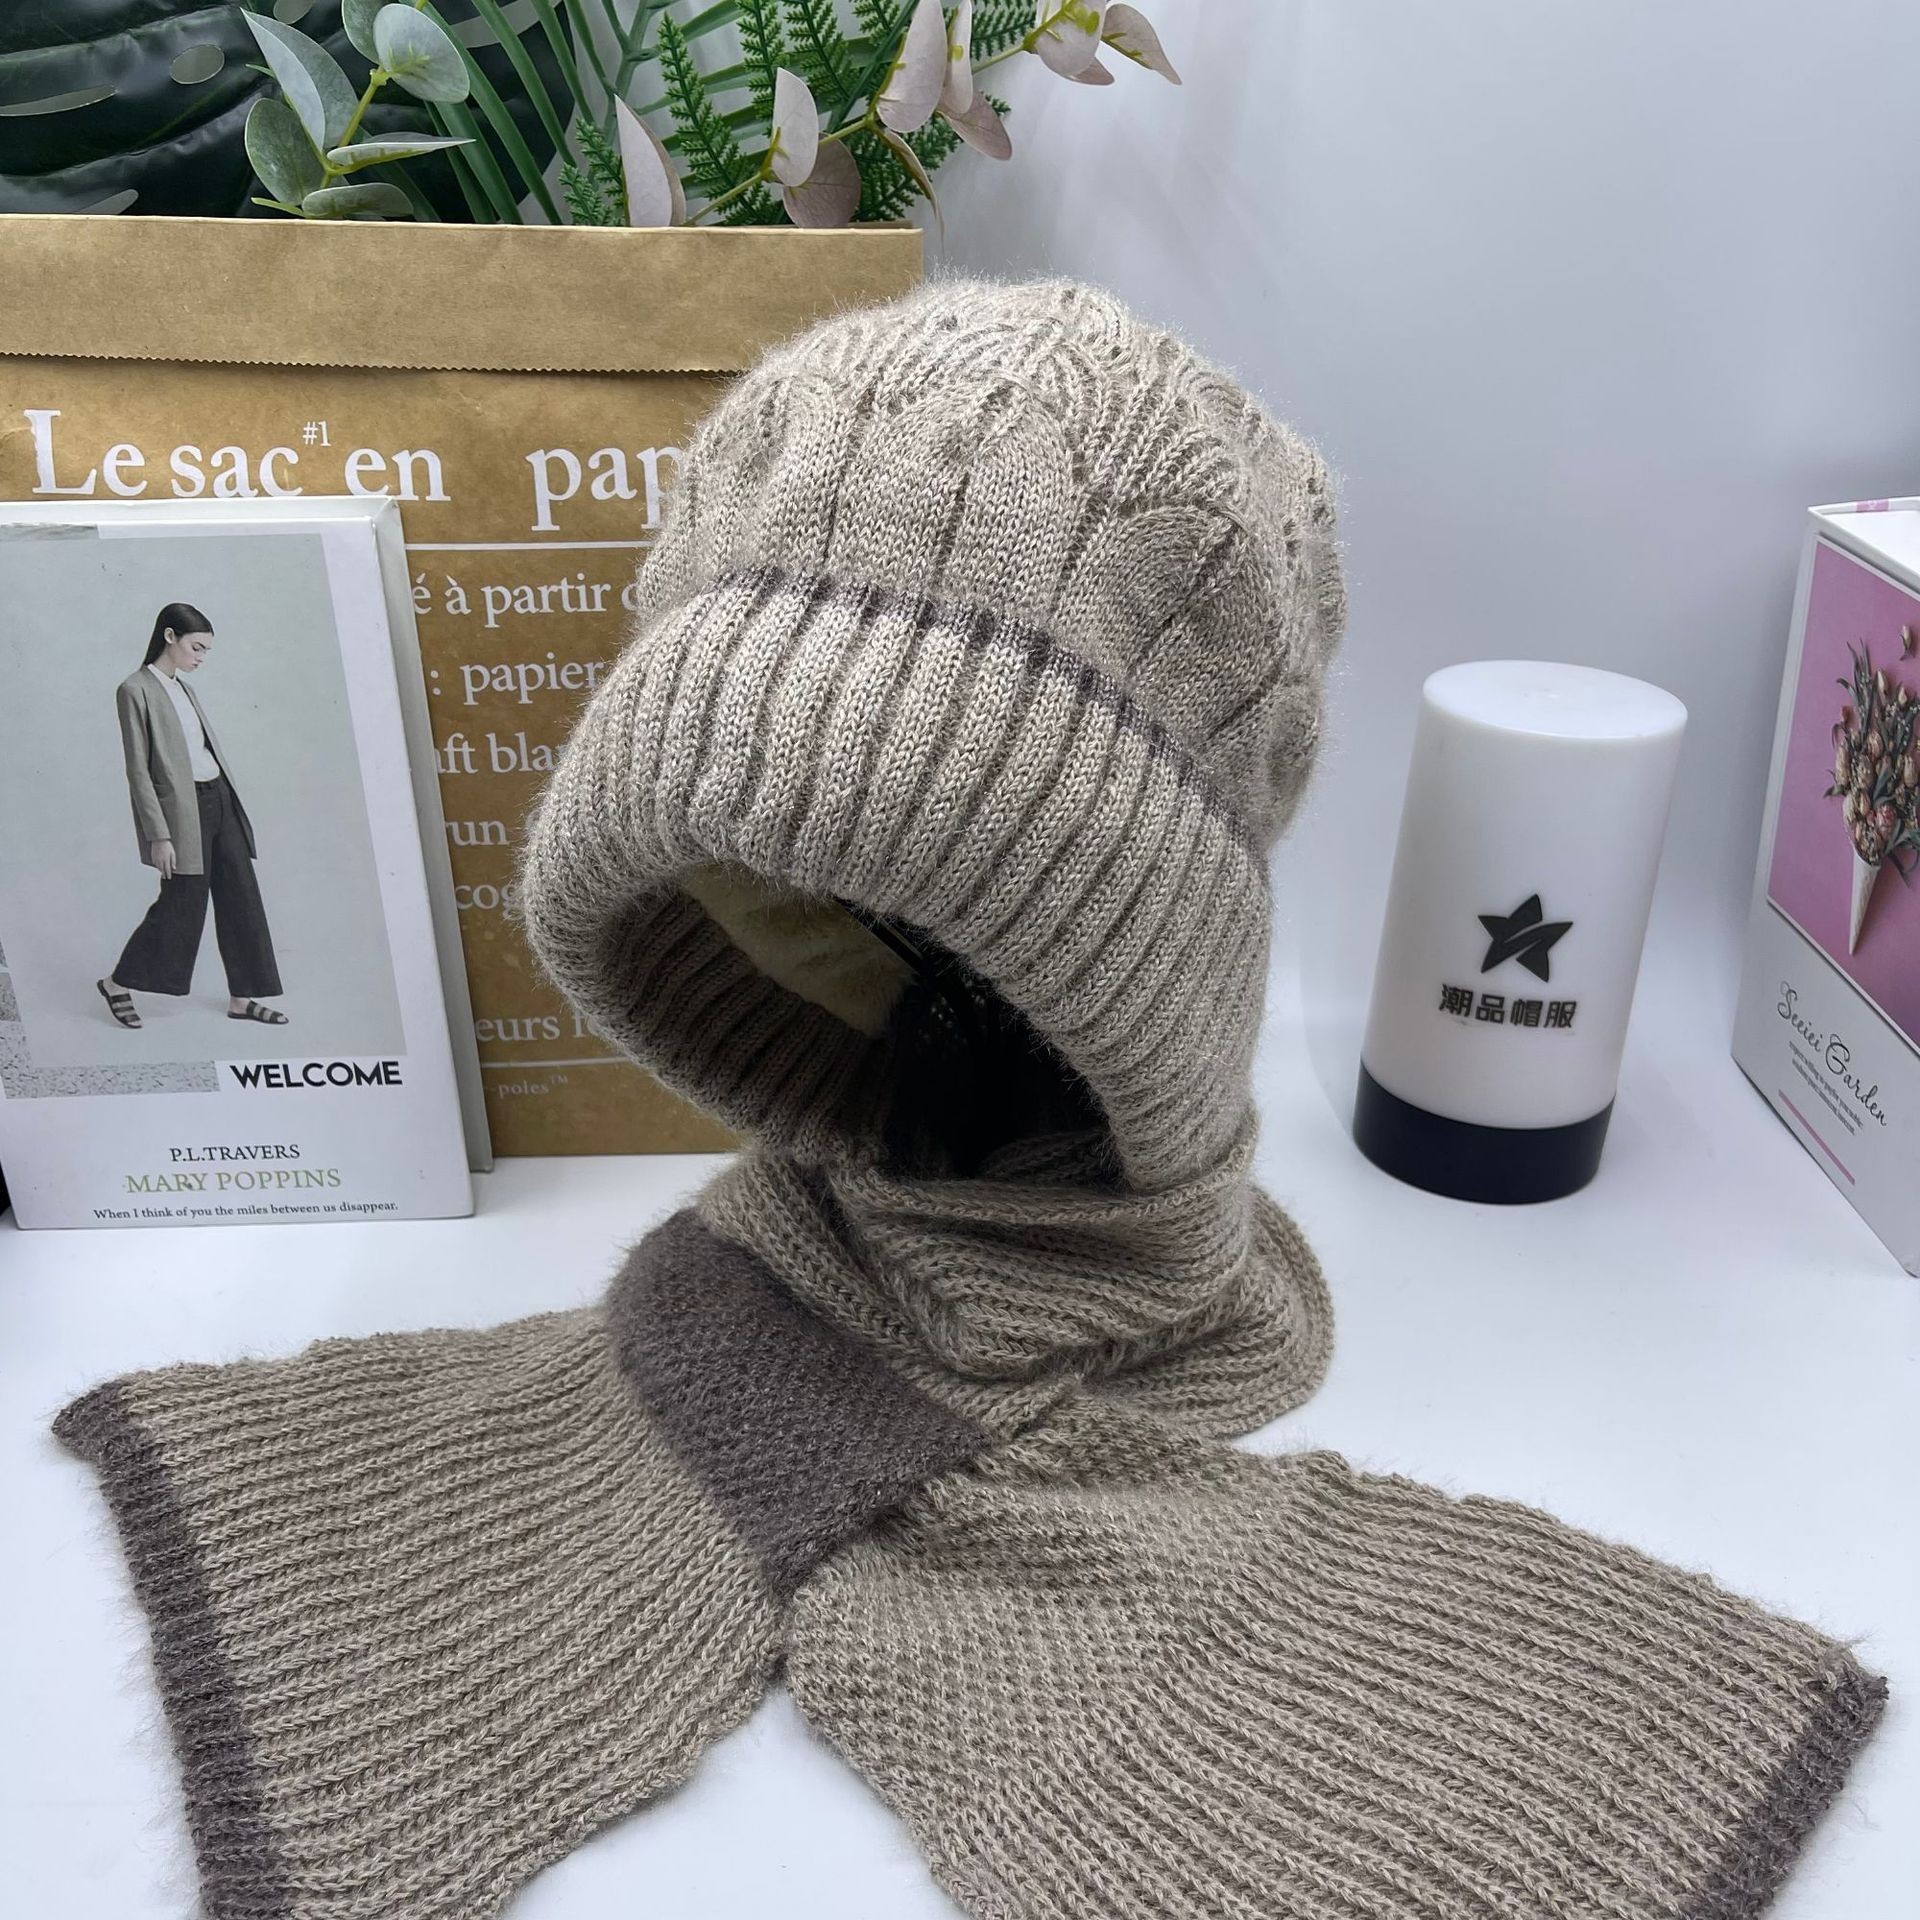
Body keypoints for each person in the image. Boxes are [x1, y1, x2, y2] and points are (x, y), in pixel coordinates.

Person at [96, 602, 286, 1029]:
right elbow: (138, 770)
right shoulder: (134, 689)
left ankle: (242, 999)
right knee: (181, 904)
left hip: (220, 798)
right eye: (196, 647)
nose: (201, 658)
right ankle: (116, 983)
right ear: (169, 636)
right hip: (183, 813)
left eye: (206, 651)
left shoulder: (184, 688)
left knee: (242, 897)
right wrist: (158, 835)